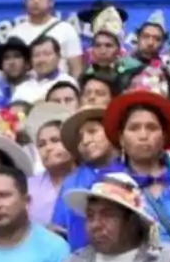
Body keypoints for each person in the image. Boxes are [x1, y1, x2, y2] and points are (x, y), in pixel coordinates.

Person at [105, 90, 170, 258]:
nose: (143, 135)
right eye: (134, 128)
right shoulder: (109, 182)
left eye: (152, 127)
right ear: (121, 138)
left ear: (164, 136)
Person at [52, 106, 123, 249]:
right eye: (80, 138)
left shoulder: (131, 170)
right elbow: (58, 231)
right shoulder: (71, 182)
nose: (85, 141)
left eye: (92, 131)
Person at [25, 104, 74, 226]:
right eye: (42, 145)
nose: (48, 148)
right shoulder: (28, 186)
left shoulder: (88, 179)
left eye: (55, 140)